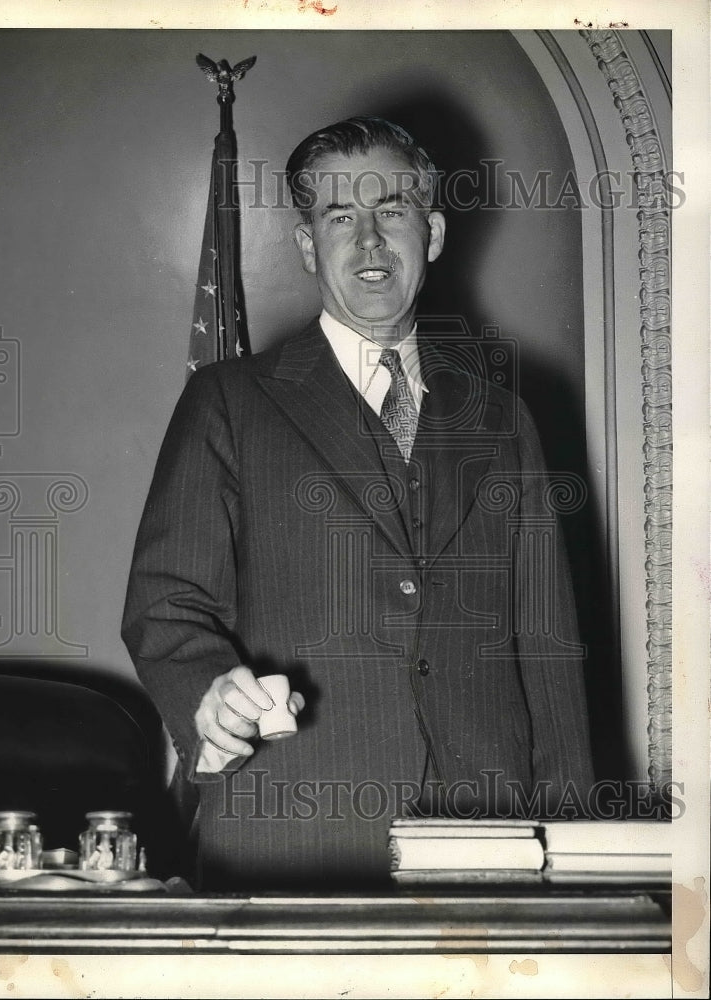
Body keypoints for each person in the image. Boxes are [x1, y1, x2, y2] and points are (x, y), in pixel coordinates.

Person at [122, 117, 594, 889]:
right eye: (340, 217)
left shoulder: (502, 417)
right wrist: (210, 694)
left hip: (489, 840)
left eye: (392, 212)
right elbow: (166, 605)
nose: (369, 242)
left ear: (432, 232)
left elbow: (547, 648)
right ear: (307, 245)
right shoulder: (229, 403)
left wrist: (571, 846)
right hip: (293, 830)